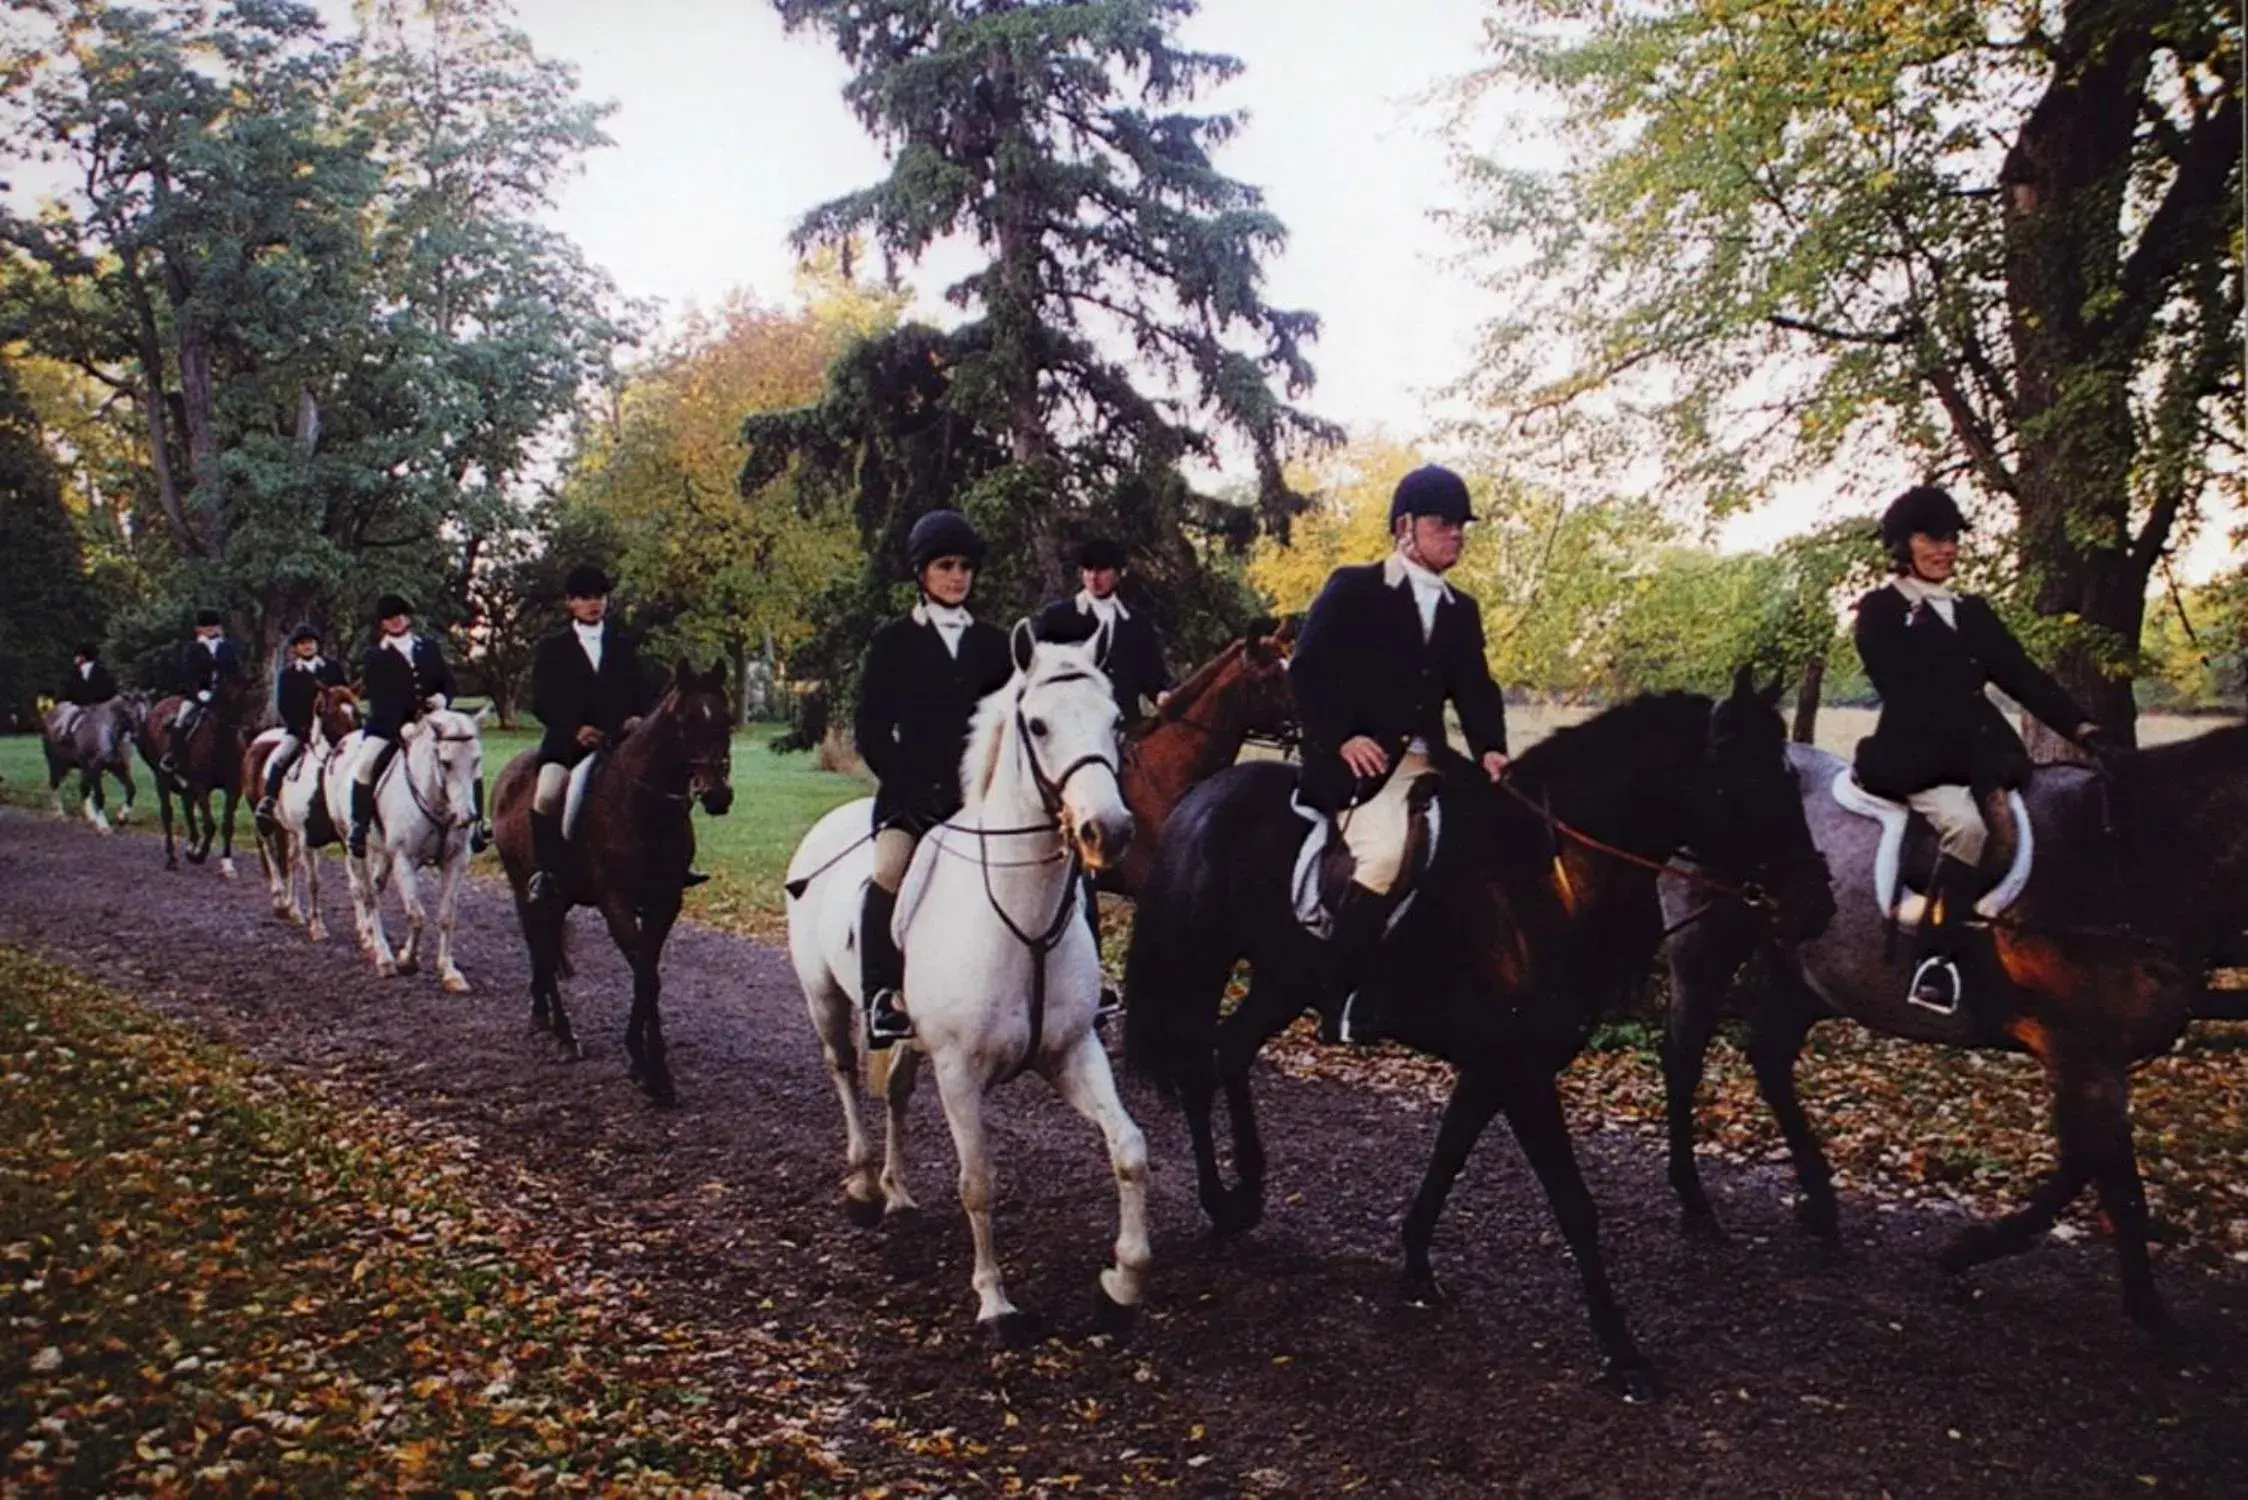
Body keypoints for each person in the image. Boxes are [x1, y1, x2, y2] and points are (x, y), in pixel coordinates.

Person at [1852, 484, 2114, 1016]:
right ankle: (1935, 960)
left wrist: (2081, 726)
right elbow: (1903, 689)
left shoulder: (1970, 611)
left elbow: (2021, 674)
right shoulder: (1882, 610)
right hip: (1919, 756)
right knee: (1967, 828)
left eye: (1952, 539)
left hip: (1983, 752)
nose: (1946, 549)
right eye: (1932, 539)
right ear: (1903, 545)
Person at [1289, 464, 1511, 1044]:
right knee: (1385, 856)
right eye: (1444, 523)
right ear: (1404, 527)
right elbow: (1308, 671)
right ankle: (1339, 996)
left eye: (1462, 526)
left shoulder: (1461, 609)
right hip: (1359, 764)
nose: (1457, 534)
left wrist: (1491, 749)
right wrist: (1343, 736)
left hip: (1430, 759)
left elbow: (1475, 689)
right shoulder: (1353, 588)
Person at [853, 510, 1014, 1048]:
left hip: (982, 798)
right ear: (921, 573)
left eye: (965, 567)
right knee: (889, 869)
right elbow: (872, 731)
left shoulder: (994, 644)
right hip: (912, 799)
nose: (957, 576)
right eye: (945, 566)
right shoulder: (892, 642)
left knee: (1056, 860)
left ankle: (1084, 986)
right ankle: (881, 996)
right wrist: (908, 791)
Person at [1033, 535, 1172, 1016]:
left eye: (1103, 570)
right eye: (1088, 569)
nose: (1094, 577)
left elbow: (1155, 678)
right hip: (1076, 744)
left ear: (1119, 574)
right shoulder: (1058, 618)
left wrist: (1165, 694)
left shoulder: (1137, 624)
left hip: (1124, 734)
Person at [525, 565, 656, 908]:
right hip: (568, 746)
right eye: (585, 598)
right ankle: (546, 873)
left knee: (658, 788)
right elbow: (541, 700)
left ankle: (670, 865)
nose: (593, 604)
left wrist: (636, 716)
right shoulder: (553, 648)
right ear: (571, 603)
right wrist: (574, 729)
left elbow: (642, 690)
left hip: (620, 744)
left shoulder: (623, 645)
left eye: (599, 596)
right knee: (547, 794)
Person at [348, 593, 465, 858]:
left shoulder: (428, 647)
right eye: (391, 618)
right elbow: (379, 697)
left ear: (408, 618)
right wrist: (401, 724)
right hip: (389, 726)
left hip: (432, 721)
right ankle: (359, 826)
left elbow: (448, 682)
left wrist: (442, 698)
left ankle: (476, 823)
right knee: (365, 765)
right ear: (383, 623)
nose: (397, 621)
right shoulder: (374, 656)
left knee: (464, 752)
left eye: (400, 615)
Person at [258, 623, 348, 820]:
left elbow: (344, 695)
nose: (308, 646)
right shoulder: (289, 674)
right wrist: (302, 727)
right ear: (295, 648)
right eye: (303, 644)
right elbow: (284, 705)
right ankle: (269, 799)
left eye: (311, 643)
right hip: (301, 729)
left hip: (333, 728)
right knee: (281, 756)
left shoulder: (332, 668)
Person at [161, 609, 244, 775]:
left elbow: (234, 671)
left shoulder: (226, 647)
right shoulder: (192, 648)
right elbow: (188, 674)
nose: (212, 629)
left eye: (214, 626)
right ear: (199, 629)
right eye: (207, 627)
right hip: (198, 694)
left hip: (223, 695)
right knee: (182, 719)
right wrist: (198, 692)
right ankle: (172, 755)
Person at [63, 643, 118, 708]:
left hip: (92, 707)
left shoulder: (75, 673)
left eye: (76, 656)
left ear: (82, 657)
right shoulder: (103, 670)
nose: (74, 659)